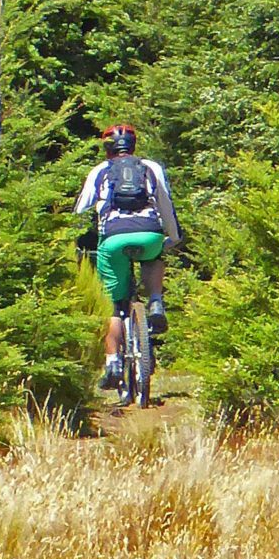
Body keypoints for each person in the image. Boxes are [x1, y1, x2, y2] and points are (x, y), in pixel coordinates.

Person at [74, 124, 183, 392]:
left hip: (113, 238)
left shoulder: (99, 171)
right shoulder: (150, 167)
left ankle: (112, 362)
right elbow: (165, 203)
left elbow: (79, 210)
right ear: (133, 146)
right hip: (149, 233)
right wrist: (173, 236)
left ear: (108, 149)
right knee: (154, 256)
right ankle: (155, 302)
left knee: (113, 304)